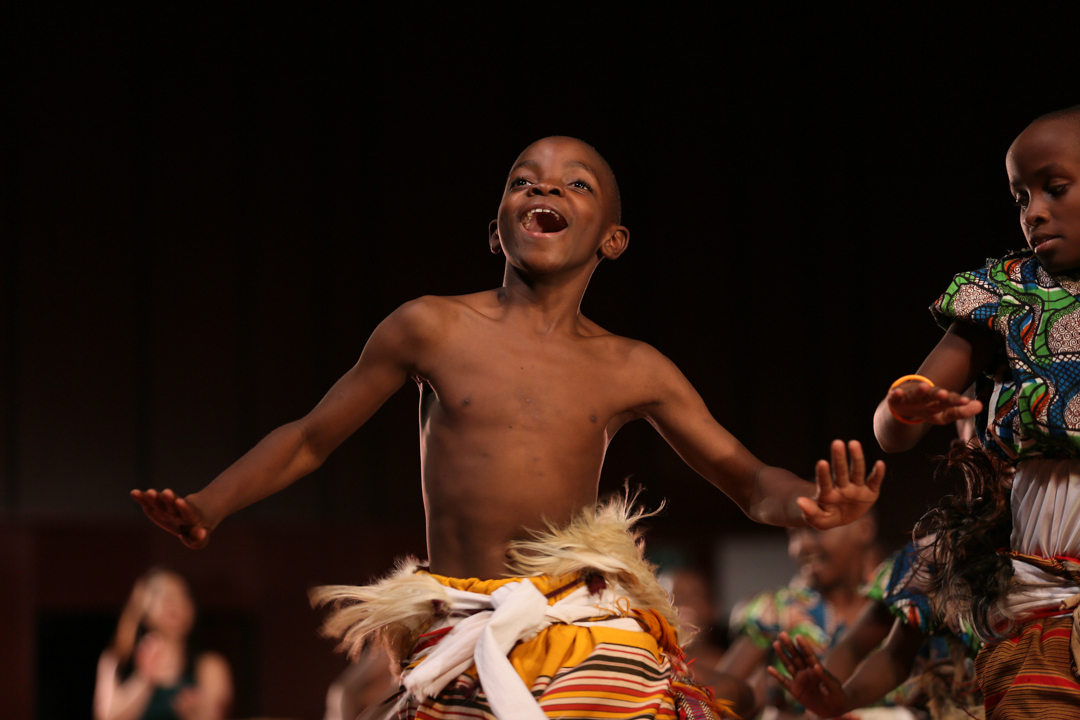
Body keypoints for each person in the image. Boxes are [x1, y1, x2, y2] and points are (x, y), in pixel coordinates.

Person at [132, 136, 883, 720]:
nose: (545, 186)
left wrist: (806, 504)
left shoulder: (631, 367)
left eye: (573, 182)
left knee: (650, 690)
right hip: (464, 611)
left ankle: (721, 693)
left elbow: (748, 480)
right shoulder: (431, 326)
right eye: (524, 179)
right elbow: (308, 437)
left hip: (572, 607)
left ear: (611, 240)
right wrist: (211, 504)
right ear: (497, 229)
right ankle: (721, 690)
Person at [873, 105, 1080, 717]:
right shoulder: (1008, 294)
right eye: (1021, 197)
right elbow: (893, 432)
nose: (1033, 211)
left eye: (1055, 188)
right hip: (1046, 593)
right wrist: (902, 405)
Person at [718, 512, 881, 718]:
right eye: (793, 534)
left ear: (864, 529)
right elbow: (723, 689)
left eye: (814, 530)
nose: (799, 546)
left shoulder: (896, 609)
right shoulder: (777, 609)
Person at [93, 568, 232, 720]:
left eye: (183, 595)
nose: (177, 604)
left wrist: (196, 714)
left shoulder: (209, 665)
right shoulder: (117, 660)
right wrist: (144, 680)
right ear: (144, 607)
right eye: (166, 596)